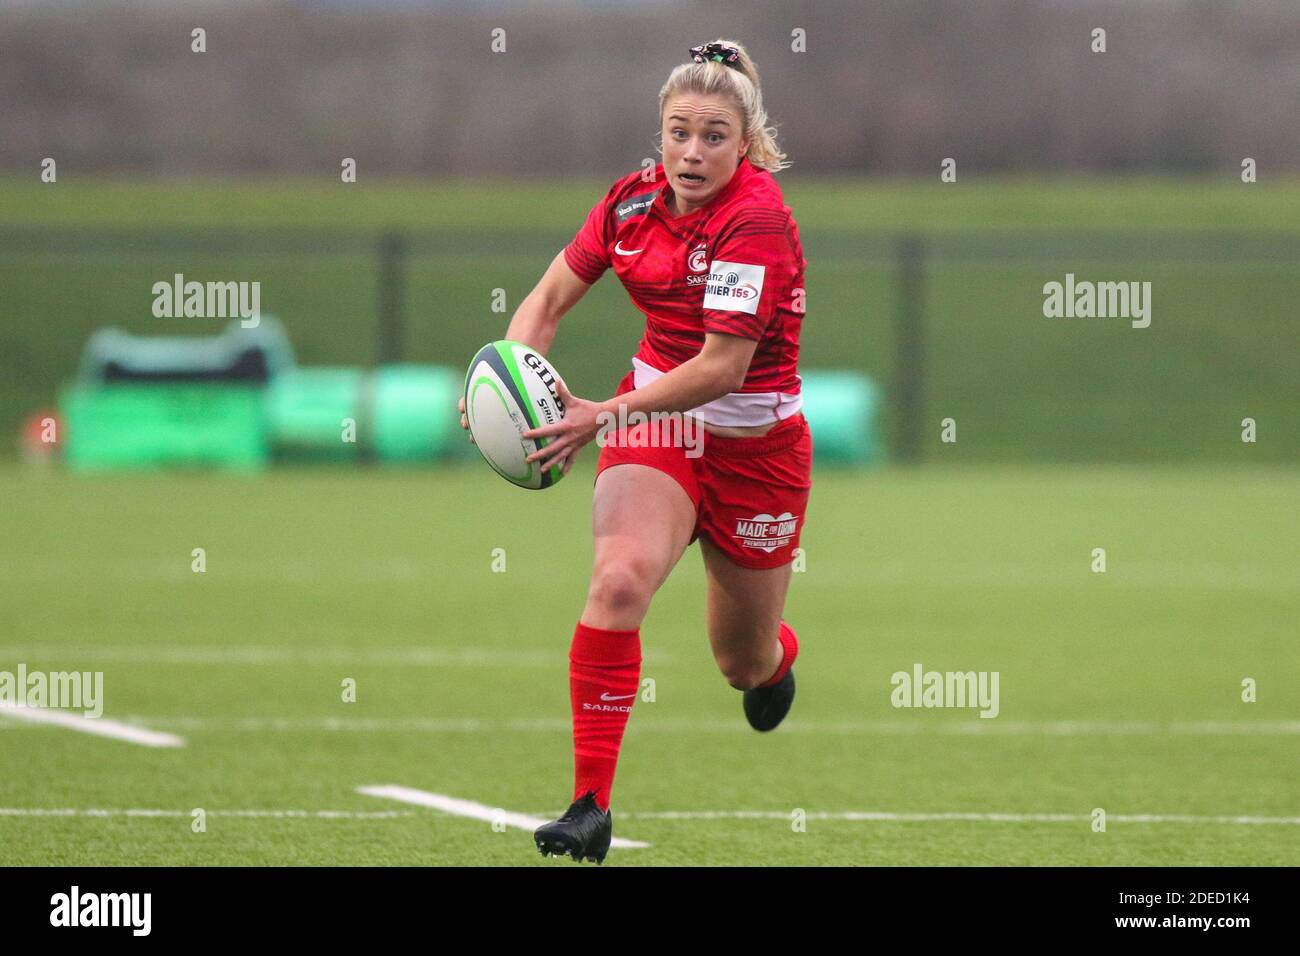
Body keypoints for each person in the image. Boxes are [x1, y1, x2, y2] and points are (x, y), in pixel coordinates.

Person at [458, 39, 811, 864]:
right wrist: (505, 387)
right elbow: (544, 302)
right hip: (655, 424)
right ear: (659, 131)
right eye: (679, 132)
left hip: (757, 449)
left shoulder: (757, 220)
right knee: (617, 581)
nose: (692, 152)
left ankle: (775, 660)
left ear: (746, 142)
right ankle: (590, 805)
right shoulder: (628, 204)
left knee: (741, 660)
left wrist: (598, 415)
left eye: (715, 136)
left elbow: (722, 367)